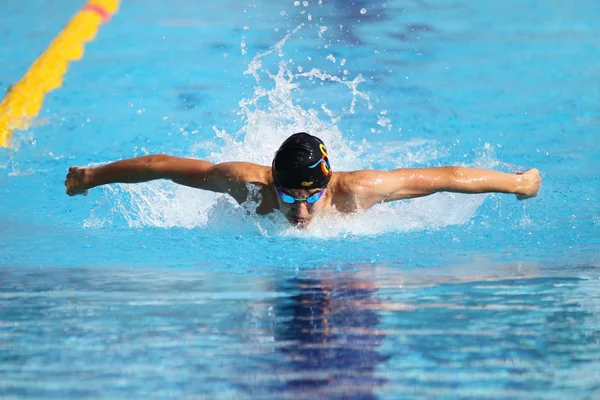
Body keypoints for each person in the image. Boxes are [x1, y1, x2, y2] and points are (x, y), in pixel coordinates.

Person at [65, 132, 541, 228]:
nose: (301, 208)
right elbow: (163, 166)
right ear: (273, 181)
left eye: (311, 193)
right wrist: (92, 176)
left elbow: (447, 178)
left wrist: (519, 184)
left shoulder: (356, 191)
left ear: (328, 184)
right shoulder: (249, 184)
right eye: (289, 192)